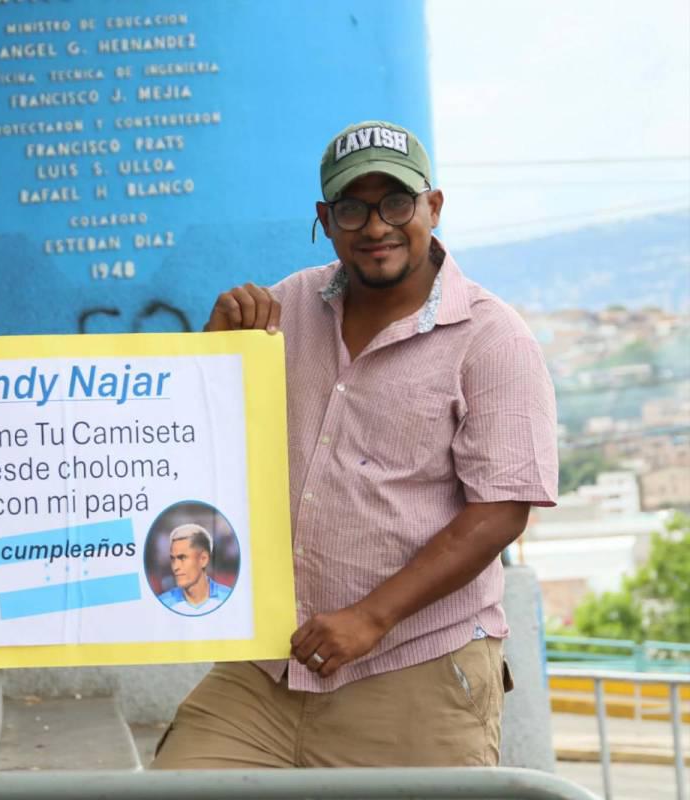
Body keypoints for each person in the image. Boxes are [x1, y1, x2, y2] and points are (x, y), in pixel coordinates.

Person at [152, 120, 558, 768]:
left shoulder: (492, 338)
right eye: (352, 208)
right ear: (325, 219)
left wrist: (371, 617)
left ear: (433, 207)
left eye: (396, 203)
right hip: (268, 671)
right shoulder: (285, 308)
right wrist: (215, 350)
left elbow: (501, 511)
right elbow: (195, 443)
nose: (375, 227)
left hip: (415, 670)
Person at [157, 523, 232, 615]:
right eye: (173, 559)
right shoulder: (162, 603)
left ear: (203, 559)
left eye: (182, 558)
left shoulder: (229, 599)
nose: (175, 566)